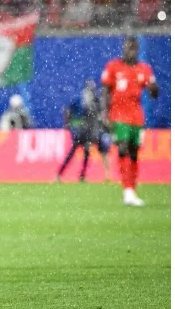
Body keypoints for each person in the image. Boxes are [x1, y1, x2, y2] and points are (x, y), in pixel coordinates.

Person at [101, 36, 159, 206]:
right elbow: (105, 90)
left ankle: (132, 190)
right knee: (123, 147)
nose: (131, 51)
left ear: (138, 50)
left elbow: (155, 94)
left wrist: (153, 87)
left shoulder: (144, 69)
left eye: (134, 48)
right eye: (128, 47)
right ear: (123, 48)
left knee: (133, 153)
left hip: (137, 117)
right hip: (118, 115)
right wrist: (105, 113)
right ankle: (126, 190)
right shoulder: (113, 67)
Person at [55, 80, 112, 183]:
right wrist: (69, 125)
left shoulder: (92, 102)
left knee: (84, 153)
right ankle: (62, 174)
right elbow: (68, 111)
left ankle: (79, 175)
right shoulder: (85, 103)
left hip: (86, 132)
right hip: (83, 132)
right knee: (76, 153)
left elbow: (100, 113)